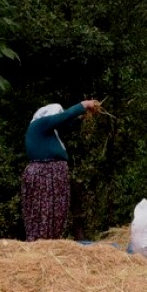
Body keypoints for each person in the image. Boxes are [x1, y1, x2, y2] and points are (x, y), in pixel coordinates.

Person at [21, 99, 101, 241]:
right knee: (43, 209)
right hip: (44, 174)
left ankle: (50, 240)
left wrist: (82, 116)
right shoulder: (40, 124)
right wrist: (83, 105)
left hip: (51, 173)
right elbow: (63, 118)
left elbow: (67, 125)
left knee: (55, 209)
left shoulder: (48, 131)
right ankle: (40, 241)